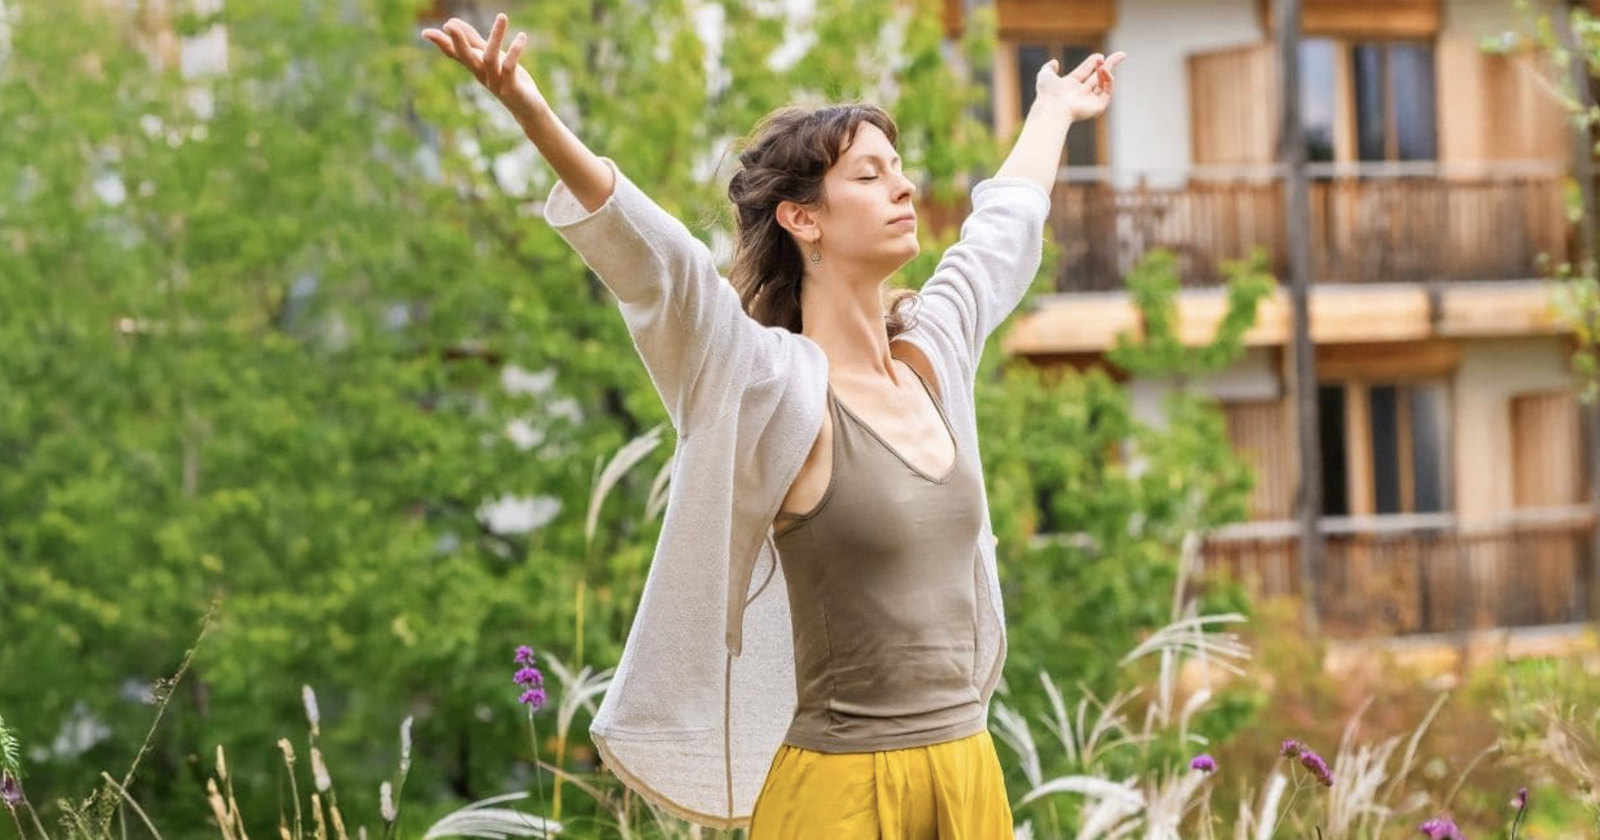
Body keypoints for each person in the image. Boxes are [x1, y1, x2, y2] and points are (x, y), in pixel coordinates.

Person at [423, 12, 1123, 838]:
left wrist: (1051, 109)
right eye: (870, 175)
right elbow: (667, 268)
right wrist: (530, 110)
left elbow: (1001, 232)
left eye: (899, 169)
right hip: (841, 797)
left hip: (968, 777)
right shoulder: (771, 384)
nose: (903, 187)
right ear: (803, 219)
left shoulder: (934, 354)